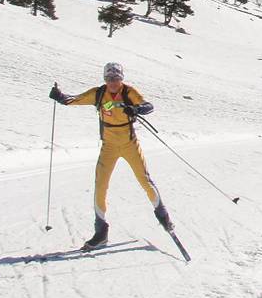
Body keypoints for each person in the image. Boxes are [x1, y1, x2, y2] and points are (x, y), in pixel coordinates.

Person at [49, 62, 172, 251]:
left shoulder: (128, 92)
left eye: (116, 78)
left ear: (121, 78)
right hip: (109, 147)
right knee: (100, 185)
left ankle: (163, 216)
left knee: (144, 180)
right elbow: (72, 100)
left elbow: (148, 106)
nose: (112, 82)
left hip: (130, 144)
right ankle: (101, 232)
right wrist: (59, 97)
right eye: (109, 79)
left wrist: (136, 109)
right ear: (104, 79)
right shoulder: (98, 94)